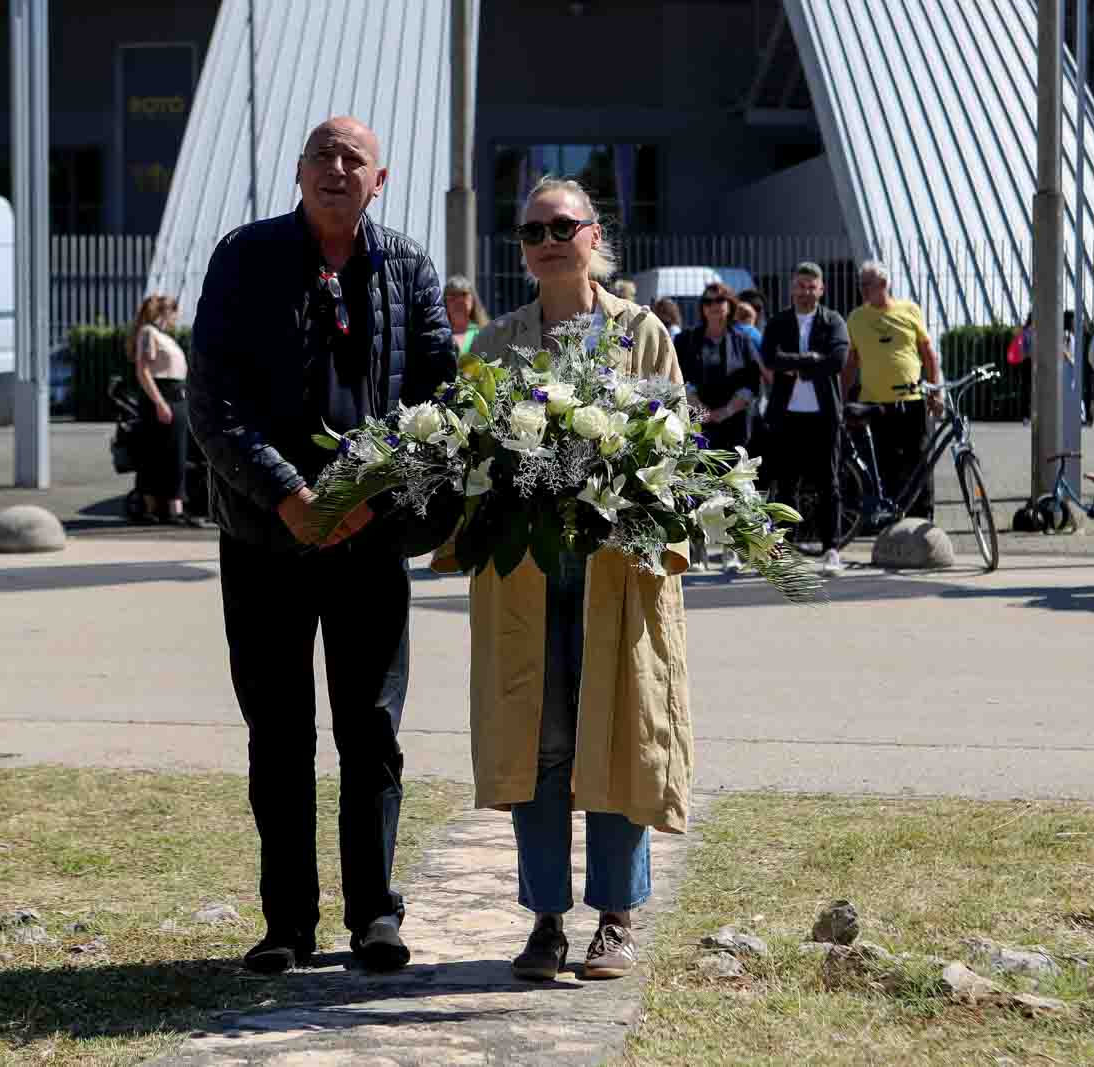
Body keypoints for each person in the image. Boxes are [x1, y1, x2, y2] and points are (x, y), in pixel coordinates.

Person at [188, 116, 455, 975]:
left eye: (353, 160)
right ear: (300, 172)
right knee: (278, 730)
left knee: (370, 728)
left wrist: (371, 500)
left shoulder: (409, 268)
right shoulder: (244, 257)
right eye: (322, 156)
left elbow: (441, 405)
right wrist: (290, 494)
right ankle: (287, 923)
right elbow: (213, 401)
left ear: (381, 180)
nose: (336, 169)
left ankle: (375, 912)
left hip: (370, 543)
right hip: (267, 535)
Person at [434, 175, 691, 981]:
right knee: (539, 741)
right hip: (526, 573)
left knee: (616, 731)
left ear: (593, 236)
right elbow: (465, 453)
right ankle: (546, 918)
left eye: (562, 226)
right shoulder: (494, 343)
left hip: (615, 567)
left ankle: (615, 917)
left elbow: (674, 455)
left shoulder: (642, 334)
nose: (547, 240)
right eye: (532, 230)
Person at [762, 261, 851, 577]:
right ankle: (783, 549)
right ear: (792, 288)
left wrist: (797, 364)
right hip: (786, 416)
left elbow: (838, 360)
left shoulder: (833, 321)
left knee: (829, 484)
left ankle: (831, 549)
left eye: (811, 287)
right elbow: (770, 357)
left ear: (821, 289)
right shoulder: (778, 322)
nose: (805, 292)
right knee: (785, 485)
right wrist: (813, 360)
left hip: (823, 416)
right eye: (800, 286)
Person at [842, 260, 942, 518]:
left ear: (884, 284)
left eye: (868, 284)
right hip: (874, 402)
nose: (862, 289)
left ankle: (922, 516)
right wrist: (841, 395)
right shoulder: (856, 317)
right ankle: (886, 515)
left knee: (917, 460)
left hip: (910, 398)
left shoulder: (910, 310)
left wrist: (936, 392)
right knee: (882, 462)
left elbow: (928, 354)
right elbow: (852, 361)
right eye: (860, 284)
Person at [677, 282, 763, 573]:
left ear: (729, 305)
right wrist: (702, 410)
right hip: (699, 424)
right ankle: (698, 548)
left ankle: (731, 549)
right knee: (698, 486)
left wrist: (726, 411)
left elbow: (752, 383)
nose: (715, 305)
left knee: (733, 487)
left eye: (720, 300)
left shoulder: (743, 339)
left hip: (734, 424)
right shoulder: (689, 340)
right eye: (709, 301)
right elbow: (679, 378)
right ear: (702, 307)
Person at [127, 293, 198, 527]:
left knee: (176, 453)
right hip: (163, 396)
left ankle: (173, 508)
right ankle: (155, 508)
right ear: (165, 312)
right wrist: (159, 402)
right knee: (157, 453)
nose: (177, 318)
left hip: (177, 397)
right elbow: (143, 369)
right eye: (174, 312)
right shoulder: (149, 333)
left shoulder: (163, 336)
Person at [444, 275, 490, 356]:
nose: (458, 300)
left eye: (464, 294)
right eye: (453, 296)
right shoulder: (437, 335)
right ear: (445, 302)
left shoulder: (485, 333)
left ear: (473, 300)